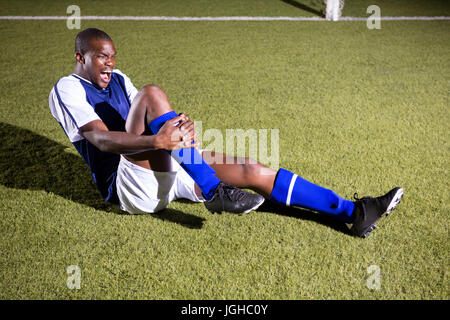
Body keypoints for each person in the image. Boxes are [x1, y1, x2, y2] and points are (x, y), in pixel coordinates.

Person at [49, 28, 403, 238]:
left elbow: (150, 120)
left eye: (112, 57)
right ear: (80, 56)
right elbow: (100, 140)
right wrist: (160, 140)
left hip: (161, 170)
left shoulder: (120, 77)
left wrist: (179, 132)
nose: (109, 64)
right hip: (127, 187)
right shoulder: (67, 88)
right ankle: (215, 191)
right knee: (152, 93)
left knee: (252, 169)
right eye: (101, 57)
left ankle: (353, 214)